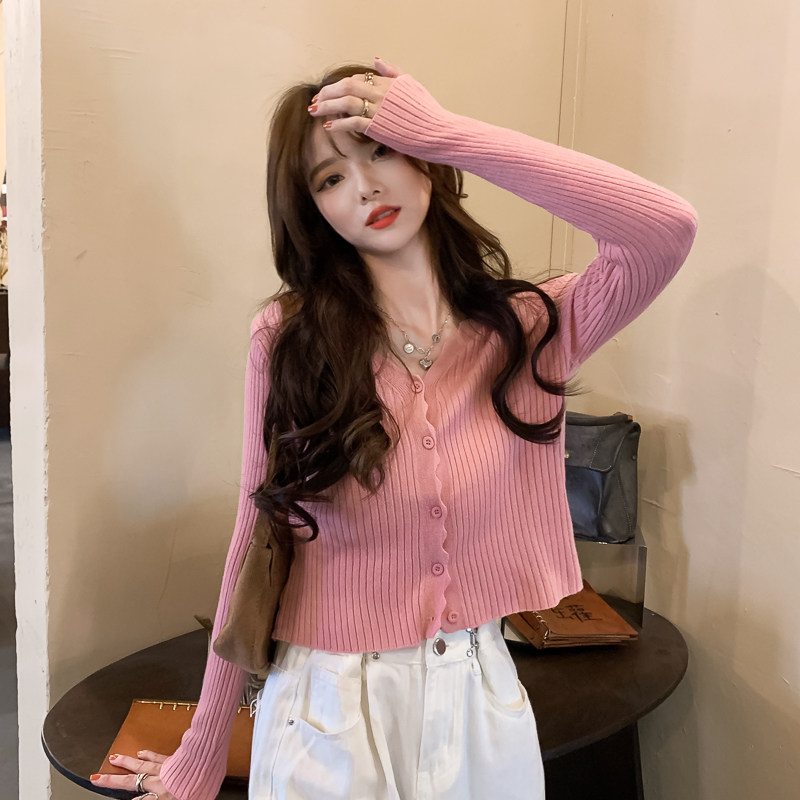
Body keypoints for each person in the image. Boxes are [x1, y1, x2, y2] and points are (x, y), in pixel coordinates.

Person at [90, 56, 698, 800]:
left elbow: (663, 229)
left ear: (425, 160)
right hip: (329, 711)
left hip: (481, 695)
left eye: (381, 150)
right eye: (329, 179)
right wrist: (202, 752)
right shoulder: (288, 340)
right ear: (314, 210)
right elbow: (257, 533)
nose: (365, 186)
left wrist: (449, 133)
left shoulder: (530, 326)